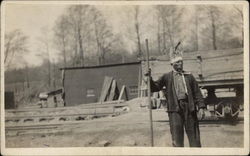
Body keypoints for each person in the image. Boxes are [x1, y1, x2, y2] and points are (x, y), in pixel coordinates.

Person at [146, 42, 206, 147]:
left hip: (189, 108)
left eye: (181, 62)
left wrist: (201, 107)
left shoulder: (189, 76)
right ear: (172, 64)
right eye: (178, 62)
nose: (180, 64)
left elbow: (197, 93)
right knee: (177, 139)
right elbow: (155, 87)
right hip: (175, 110)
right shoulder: (167, 77)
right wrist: (149, 78)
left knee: (194, 138)